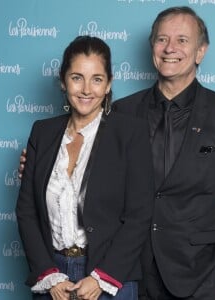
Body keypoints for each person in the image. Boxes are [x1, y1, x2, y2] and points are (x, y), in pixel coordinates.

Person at [19, 6, 215, 300]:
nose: (170, 48)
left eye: (182, 40)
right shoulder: (120, 112)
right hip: (128, 272)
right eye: (162, 39)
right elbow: (76, 168)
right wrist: (36, 167)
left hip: (197, 274)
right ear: (152, 48)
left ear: (201, 51)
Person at [16, 35, 154, 300]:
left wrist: (101, 277)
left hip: (112, 279)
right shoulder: (42, 133)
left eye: (97, 79)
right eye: (77, 77)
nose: (86, 89)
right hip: (55, 279)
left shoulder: (130, 133)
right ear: (63, 81)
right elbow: (26, 211)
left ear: (109, 83)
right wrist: (48, 275)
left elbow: (139, 215)